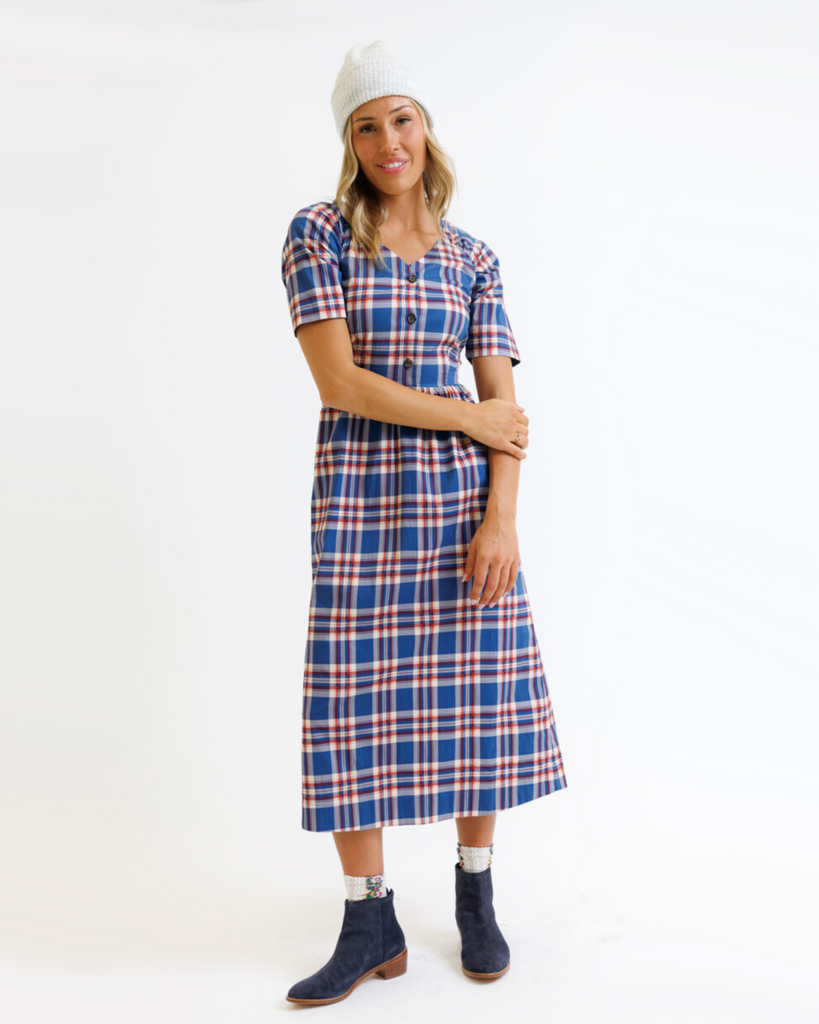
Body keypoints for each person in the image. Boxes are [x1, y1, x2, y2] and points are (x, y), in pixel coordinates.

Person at [280, 40, 567, 1005]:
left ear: (425, 130)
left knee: (477, 701)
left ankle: (475, 895)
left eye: (400, 119)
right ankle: (370, 921)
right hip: (360, 504)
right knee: (347, 702)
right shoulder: (317, 235)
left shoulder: (474, 258)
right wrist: (464, 413)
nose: (386, 141)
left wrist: (502, 523)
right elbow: (339, 381)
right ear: (349, 142)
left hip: (459, 515)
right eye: (366, 126)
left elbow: (507, 411)